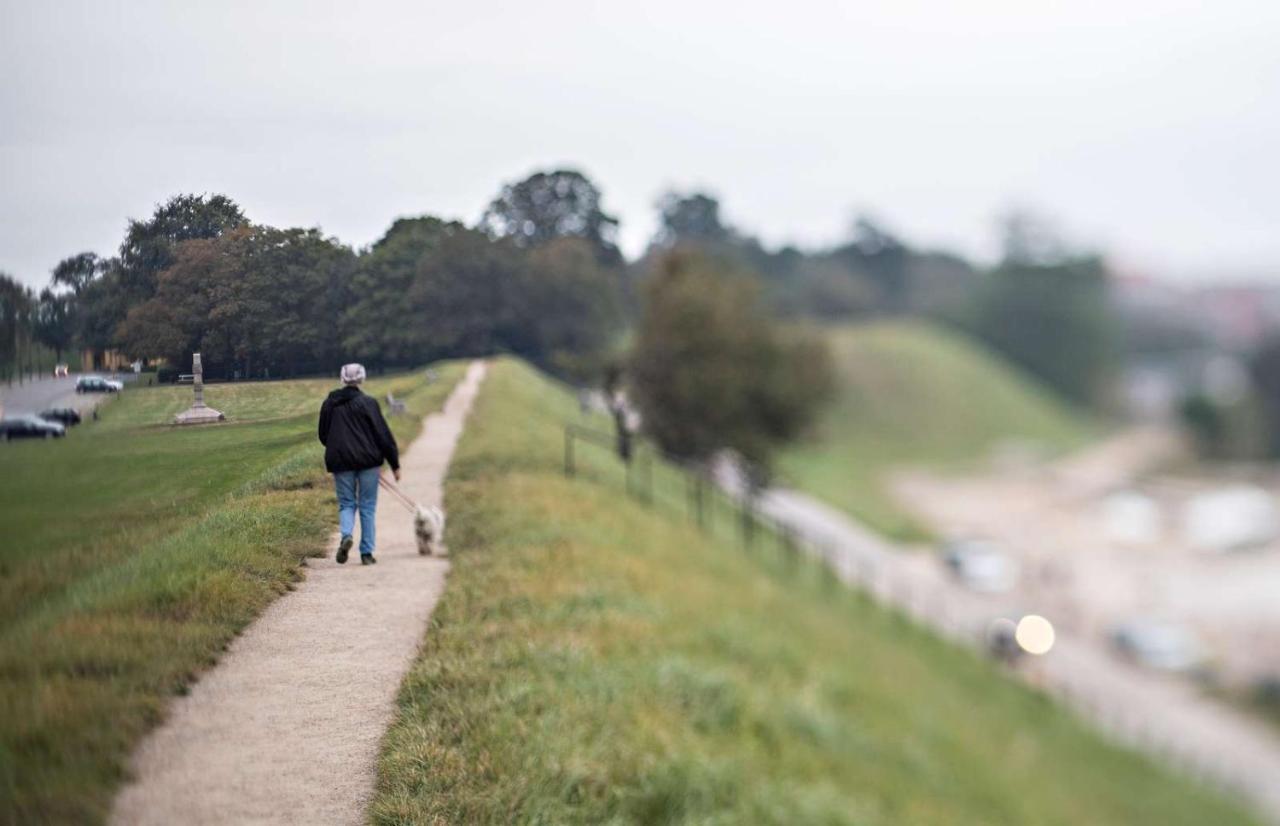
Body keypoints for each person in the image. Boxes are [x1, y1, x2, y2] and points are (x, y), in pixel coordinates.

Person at [318, 363, 400, 565]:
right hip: (368, 461)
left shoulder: (330, 403)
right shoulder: (369, 403)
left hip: (341, 461)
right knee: (367, 506)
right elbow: (382, 435)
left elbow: (323, 434)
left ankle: (346, 535)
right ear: (362, 379)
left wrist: (339, 447)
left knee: (346, 503)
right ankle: (366, 553)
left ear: (342, 378)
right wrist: (395, 464)